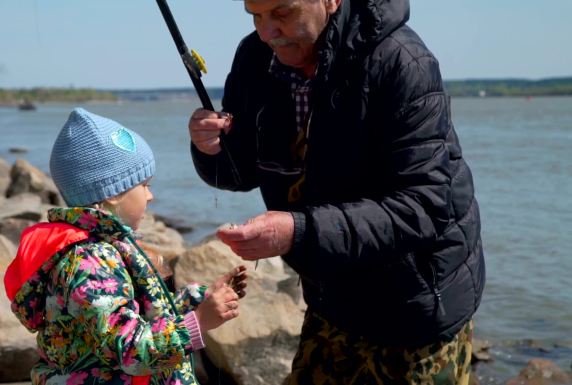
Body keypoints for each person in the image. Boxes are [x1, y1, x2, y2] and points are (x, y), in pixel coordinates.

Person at [188, 0, 484, 384]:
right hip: (332, 298)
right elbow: (239, 170)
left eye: (281, 13)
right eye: (255, 15)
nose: (266, 32)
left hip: (416, 307)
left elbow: (423, 207)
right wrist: (208, 146)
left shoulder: (402, 61)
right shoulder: (255, 57)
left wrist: (297, 231)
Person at [4, 108, 248, 385]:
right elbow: (130, 350)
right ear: (113, 194)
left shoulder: (107, 248)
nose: (151, 195)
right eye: (144, 185)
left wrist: (197, 300)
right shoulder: (90, 263)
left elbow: (138, 317)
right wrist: (199, 322)